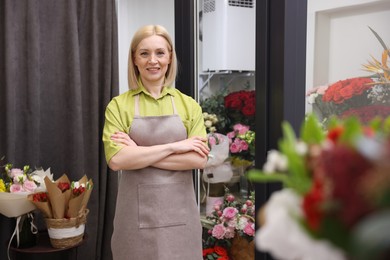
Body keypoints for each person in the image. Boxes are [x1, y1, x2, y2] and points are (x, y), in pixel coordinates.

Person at [102, 24, 209, 260]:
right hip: (133, 221)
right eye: (144, 53)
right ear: (134, 59)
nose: (153, 60)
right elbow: (117, 160)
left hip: (182, 220)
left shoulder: (188, 105)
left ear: (170, 57)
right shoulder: (119, 106)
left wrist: (138, 153)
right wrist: (175, 146)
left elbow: (198, 159)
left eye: (160, 53)